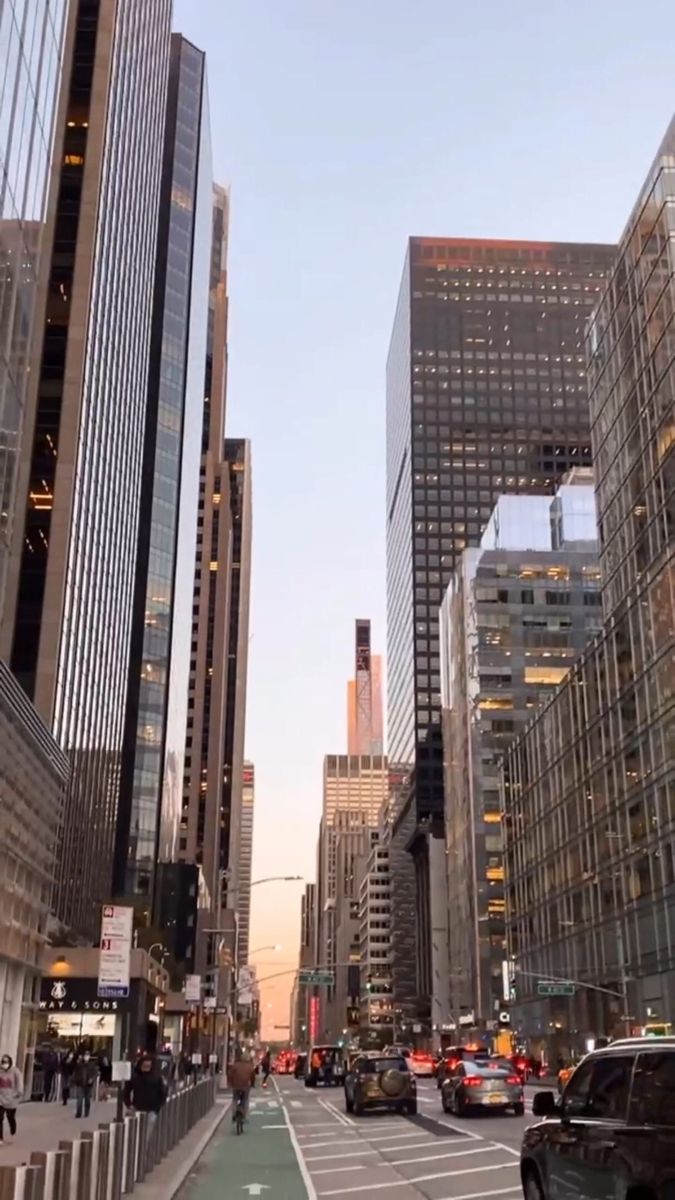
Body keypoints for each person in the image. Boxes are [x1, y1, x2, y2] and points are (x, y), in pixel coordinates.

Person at [123, 1055, 167, 1145]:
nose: (146, 1067)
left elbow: (162, 1093)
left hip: (151, 1110)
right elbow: (126, 1092)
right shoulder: (134, 1077)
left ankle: (143, 1148)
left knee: (147, 1133)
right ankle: (135, 1148)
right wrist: (129, 1105)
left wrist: (157, 1107)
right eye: (144, 1066)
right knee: (135, 1132)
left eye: (148, 1066)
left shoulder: (156, 1078)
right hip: (137, 1109)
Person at [0, 1055, 23, 1143]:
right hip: (1, 1098)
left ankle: (13, 1128)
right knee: (0, 1118)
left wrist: (19, 1092)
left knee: (10, 1117)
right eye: (3, 1062)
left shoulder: (15, 1072)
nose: (4, 1064)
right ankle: (0, 1138)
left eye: (6, 1062)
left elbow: (19, 1083)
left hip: (12, 1098)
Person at [227, 1051, 256, 1121]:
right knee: (245, 1100)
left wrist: (230, 1083)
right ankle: (244, 1115)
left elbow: (230, 1074)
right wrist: (252, 1084)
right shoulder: (250, 1067)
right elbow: (253, 1077)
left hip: (236, 1086)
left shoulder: (235, 1065)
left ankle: (233, 1114)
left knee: (235, 1099)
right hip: (245, 1086)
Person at [72, 1051, 98, 1118]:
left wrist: (92, 1079)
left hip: (88, 1085)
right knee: (79, 1099)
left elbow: (95, 1073)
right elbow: (75, 1071)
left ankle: (86, 1112)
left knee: (87, 1100)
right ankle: (79, 1113)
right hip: (80, 1084)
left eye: (88, 1055)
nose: (86, 1057)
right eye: (85, 1055)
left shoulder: (92, 1064)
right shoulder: (80, 1064)